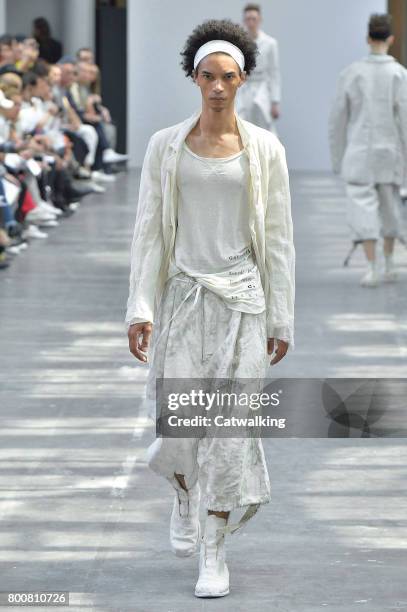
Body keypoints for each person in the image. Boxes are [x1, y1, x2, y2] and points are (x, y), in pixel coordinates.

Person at [125, 18, 295, 598]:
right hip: (183, 301)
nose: (217, 86)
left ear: (242, 79)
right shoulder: (165, 147)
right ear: (194, 79)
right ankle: (181, 490)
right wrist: (139, 307)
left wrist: (281, 318)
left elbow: (278, 239)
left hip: (243, 304)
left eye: (227, 76)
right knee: (180, 426)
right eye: (207, 76)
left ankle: (213, 551)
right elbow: (148, 231)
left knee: (229, 432)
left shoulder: (265, 150)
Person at [329, 13, 407, 287]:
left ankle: (372, 267)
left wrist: (337, 158)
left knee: (363, 210)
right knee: (390, 209)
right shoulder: (399, 74)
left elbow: (338, 120)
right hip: (389, 152)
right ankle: (388, 264)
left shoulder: (351, 73)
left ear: (367, 38)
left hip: (359, 153)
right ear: (391, 39)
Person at [235, 3, 281, 135]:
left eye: (253, 19)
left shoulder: (270, 43)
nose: (251, 23)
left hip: (262, 88)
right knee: (241, 126)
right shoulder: (240, 43)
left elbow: (274, 73)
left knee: (264, 128)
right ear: (244, 21)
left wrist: (275, 101)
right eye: (248, 19)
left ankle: (269, 155)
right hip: (244, 88)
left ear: (259, 19)